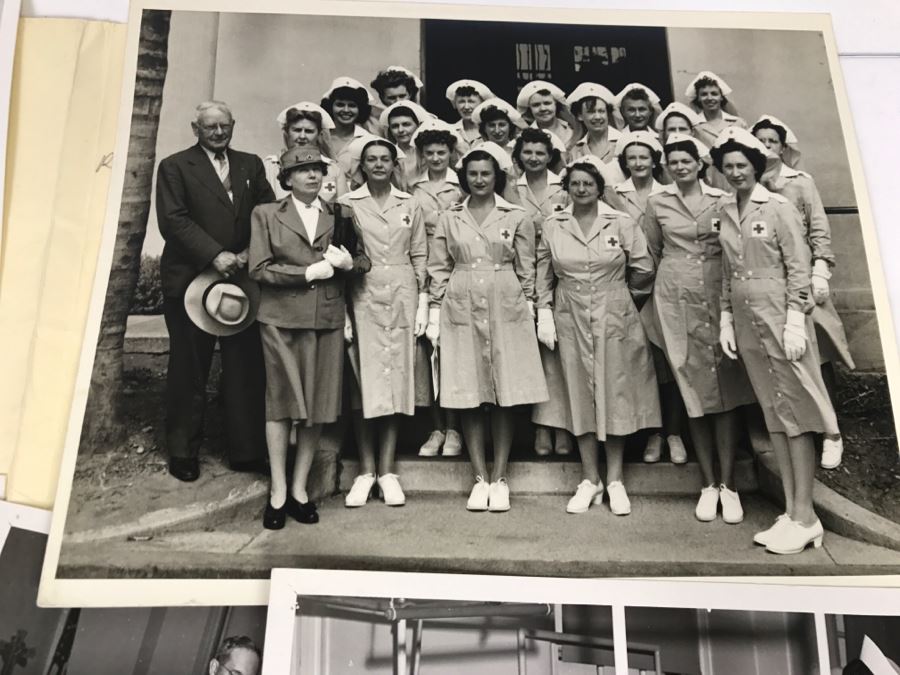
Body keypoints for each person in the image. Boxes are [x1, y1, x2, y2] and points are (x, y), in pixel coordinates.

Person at [712, 127, 838, 554]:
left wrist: (796, 320)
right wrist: (727, 319)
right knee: (773, 414)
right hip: (747, 319)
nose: (734, 173)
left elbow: (798, 266)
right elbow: (728, 271)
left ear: (756, 165)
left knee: (796, 411)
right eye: (727, 167)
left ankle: (806, 515)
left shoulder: (779, 206)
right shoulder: (727, 210)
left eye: (741, 165)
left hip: (781, 314)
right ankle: (792, 511)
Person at [249, 147, 369, 529]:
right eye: (302, 171)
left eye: (316, 169)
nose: (312, 176)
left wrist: (350, 264)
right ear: (286, 178)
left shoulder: (340, 213)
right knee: (281, 403)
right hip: (281, 319)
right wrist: (306, 274)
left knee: (317, 404)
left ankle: (300, 490)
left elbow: (363, 260)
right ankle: (278, 492)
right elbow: (258, 268)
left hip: (326, 317)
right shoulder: (267, 214)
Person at [155, 100, 274, 482]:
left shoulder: (250, 164)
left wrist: (245, 254)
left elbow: (266, 214)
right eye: (210, 127)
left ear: (233, 125)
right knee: (189, 368)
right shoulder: (175, 166)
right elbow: (174, 221)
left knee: (245, 368)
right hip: (191, 279)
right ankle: (183, 451)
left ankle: (246, 451)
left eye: (224, 125)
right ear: (196, 129)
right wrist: (214, 255)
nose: (219, 133)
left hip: (241, 280)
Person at [426, 142, 548, 512]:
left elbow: (527, 269)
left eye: (486, 174)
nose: (479, 180)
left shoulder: (516, 215)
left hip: (505, 300)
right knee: (469, 391)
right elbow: (438, 267)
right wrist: (434, 310)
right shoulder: (450, 217)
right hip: (461, 301)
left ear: (497, 177)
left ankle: (501, 475)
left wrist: (531, 308)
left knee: (503, 393)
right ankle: (479, 477)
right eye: (473, 174)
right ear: (464, 177)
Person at [535, 156, 660, 515]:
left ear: (599, 187)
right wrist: (545, 311)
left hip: (614, 312)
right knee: (578, 392)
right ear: (567, 188)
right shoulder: (554, 224)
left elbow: (642, 268)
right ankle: (590, 478)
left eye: (588, 184)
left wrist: (621, 300)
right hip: (569, 312)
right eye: (574, 184)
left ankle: (616, 479)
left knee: (615, 392)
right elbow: (544, 273)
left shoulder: (620, 222)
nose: (581, 189)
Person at [643, 134, 757, 523]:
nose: (679, 167)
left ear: (699, 163)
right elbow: (652, 252)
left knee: (724, 386)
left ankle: (730, 486)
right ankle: (708, 484)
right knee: (692, 385)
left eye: (685, 160)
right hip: (675, 296)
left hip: (717, 293)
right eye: (672, 162)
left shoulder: (723, 200)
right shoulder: (657, 202)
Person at [752, 114, 853, 470]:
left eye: (772, 141)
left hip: (802, 282)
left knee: (818, 354)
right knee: (779, 357)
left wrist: (820, 270)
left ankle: (831, 431)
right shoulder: (748, 186)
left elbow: (818, 230)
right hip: (767, 284)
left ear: (782, 146)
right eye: (760, 141)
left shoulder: (800, 183)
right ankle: (796, 426)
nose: (766, 147)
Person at [341, 138, 428, 508]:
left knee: (396, 382)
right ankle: (365, 471)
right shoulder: (347, 205)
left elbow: (420, 252)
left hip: (403, 295)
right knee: (365, 382)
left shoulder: (410, 204)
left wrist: (424, 302)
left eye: (385, 159)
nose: (378, 165)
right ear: (362, 165)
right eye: (371, 159)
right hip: (362, 295)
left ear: (395, 164)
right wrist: (344, 312)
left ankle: (388, 470)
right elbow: (342, 256)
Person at [608, 130, 688, 464]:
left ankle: (673, 432)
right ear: (624, 163)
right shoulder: (615, 195)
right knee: (638, 365)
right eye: (632, 158)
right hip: (627, 286)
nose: (638, 163)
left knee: (670, 362)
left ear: (655, 161)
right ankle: (649, 434)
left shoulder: (668, 195)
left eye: (644, 157)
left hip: (665, 287)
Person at [511, 127, 573, 457]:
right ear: (519, 155)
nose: (533, 158)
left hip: (557, 274)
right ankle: (537, 427)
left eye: (540, 153)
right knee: (529, 354)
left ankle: (559, 425)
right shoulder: (509, 187)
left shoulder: (563, 189)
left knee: (556, 352)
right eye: (528, 152)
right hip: (518, 271)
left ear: (550, 156)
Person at [409, 120, 465, 458]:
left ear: (451, 153)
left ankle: (455, 427)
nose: (435, 158)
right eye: (428, 152)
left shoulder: (461, 186)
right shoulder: (414, 188)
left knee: (452, 352)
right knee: (425, 353)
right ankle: (436, 428)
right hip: (423, 270)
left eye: (441, 152)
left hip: (455, 268)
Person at [263, 102, 341, 202]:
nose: (302, 136)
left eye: (309, 131)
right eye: (297, 130)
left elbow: (344, 207)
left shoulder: (332, 168)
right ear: (287, 132)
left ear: (319, 135)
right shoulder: (269, 166)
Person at [566, 82, 623, 183]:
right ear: (580, 115)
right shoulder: (575, 150)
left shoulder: (622, 143)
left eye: (601, 111)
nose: (597, 117)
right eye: (591, 112)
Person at [320, 76, 375, 180]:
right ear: (330, 106)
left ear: (361, 109)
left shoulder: (367, 140)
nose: (346, 110)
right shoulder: (318, 136)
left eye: (352, 105)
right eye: (340, 105)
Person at [379, 100, 434, 189]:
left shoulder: (429, 153)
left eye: (406, 124)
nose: (400, 130)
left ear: (418, 126)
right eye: (395, 126)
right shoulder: (387, 155)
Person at [685, 71, 748, 148]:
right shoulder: (694, 126)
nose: (709, 98)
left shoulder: (738, 123)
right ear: (698, 98)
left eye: (714, 94)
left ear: (721, 97)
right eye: (704, 94)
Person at [516, 80, 575, 147]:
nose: (543, 109)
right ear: (530, 109)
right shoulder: (523, 138)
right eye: (536, 105)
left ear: (556, 104)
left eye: (547, 103)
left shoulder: (573, 130)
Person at [445, 79, 494, 154]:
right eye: (461, 102)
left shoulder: (491, 132)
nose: (466, 107)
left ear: (482, 104)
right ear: (454, 105)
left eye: (471, 101)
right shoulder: (449, 131)